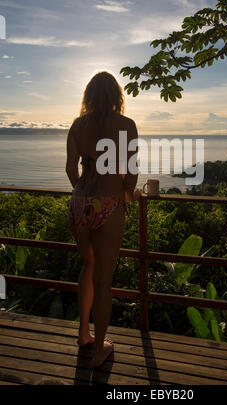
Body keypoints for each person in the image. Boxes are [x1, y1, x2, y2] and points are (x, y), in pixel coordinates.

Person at [65, 71, 140, 368]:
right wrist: (126, 193)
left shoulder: (78, 125)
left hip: (80, 202)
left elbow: (71, 168)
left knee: (88, 265)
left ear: (88, 96)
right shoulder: (126, 125)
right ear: (117, 96)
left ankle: (84, 334)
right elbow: (131, 171)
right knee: (104, 281)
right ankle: (99, 351)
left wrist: (82, 193)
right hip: (109, 203)